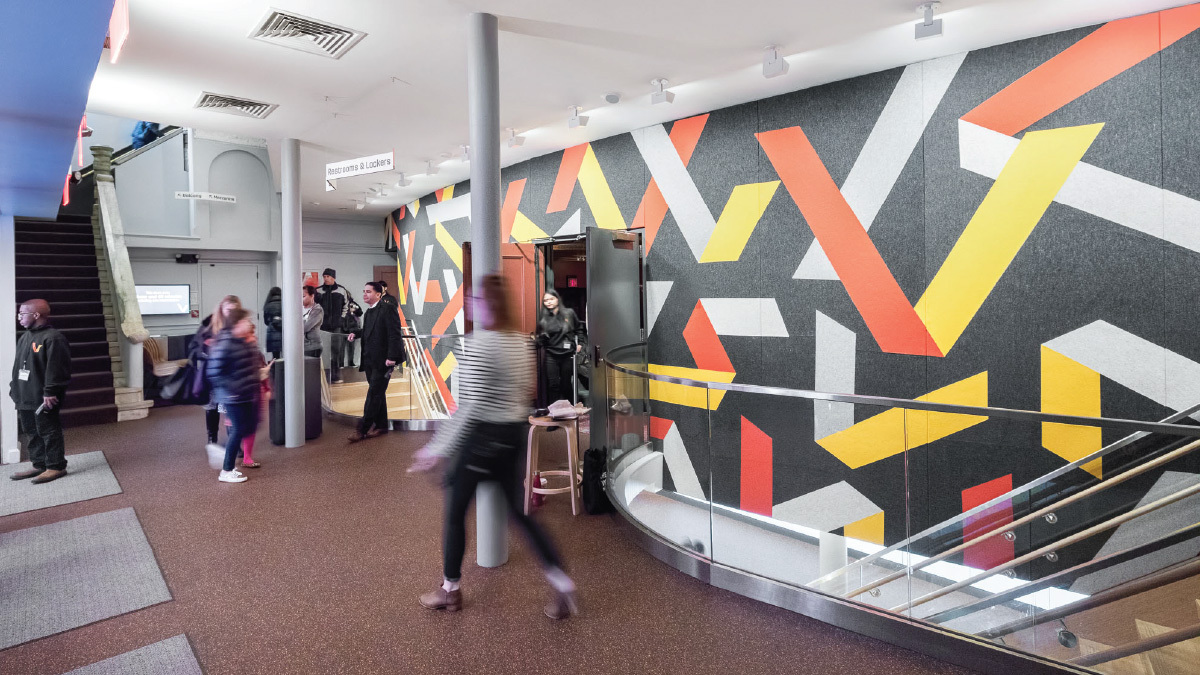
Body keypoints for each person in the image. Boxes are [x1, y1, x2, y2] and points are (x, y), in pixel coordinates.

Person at [409, 275, 578, 619]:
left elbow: (469, 406)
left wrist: (436, 448)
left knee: (456, 512)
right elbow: (526, 391)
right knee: (519, 514)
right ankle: (562, 583)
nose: (471, 304)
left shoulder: (479, 343)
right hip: (513, 436)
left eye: (475, 299)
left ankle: (450, 590)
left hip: (481, 441)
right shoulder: (520, 342)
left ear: (488, 304)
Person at [9, 299, 72, 484]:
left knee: (48, 430)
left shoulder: (53, 338)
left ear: (36, 315)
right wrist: (14, 388)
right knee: (31, 431)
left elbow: (57, 369)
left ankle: (56, 466)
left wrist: (51, 391)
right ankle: (39, 464)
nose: (19, 317)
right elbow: (18, 365)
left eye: (22, 313)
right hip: (25, 394)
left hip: (44, 396)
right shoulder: (25, 336)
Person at [205, 308, 262, 483]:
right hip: (234, 396)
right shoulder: (226, 343)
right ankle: (226, 469)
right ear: (237, 324)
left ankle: (223, 455)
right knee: (238, 430)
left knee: (247, 428)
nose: (248, 323)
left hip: (244, 393)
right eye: (245, 320)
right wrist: (233, 389)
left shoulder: (241, 341)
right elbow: (214, 372)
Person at [346, 282, 404, 442]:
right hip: (370, 359)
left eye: (368, 292)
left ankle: (362, 429)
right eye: (364, 291)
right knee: (378, 393)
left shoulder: (387, 308)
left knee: (373, 394)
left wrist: (392, 357)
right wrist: (356, 333)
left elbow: (394, 334)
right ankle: (381, 425)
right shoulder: (369, 312)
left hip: (384, 361)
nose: (365, 294)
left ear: (379, 294)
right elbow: (368, 331)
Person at [192, 295, 241, 446]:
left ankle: (234, 443)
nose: (231, 313)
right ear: (222, 308)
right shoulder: (210, 324)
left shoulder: (240, 324)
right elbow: (196, 348)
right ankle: (212, 439)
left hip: (231, 373)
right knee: (212, 407)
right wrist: (210, 349)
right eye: (228, 310)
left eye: (234, 310)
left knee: (231, 408)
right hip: (213, 372)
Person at [536, 290, 584, 403]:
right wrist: (540, 340)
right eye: (546, 300)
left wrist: (580, 343)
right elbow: (540, 336)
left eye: (551, 299)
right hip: (551, 354)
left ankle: (570, 408)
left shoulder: (569, 313)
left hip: (567, 354)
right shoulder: (544, 317)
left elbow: (579, 328)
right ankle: (555, 411)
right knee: (553, 385)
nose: (548, 302)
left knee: (566, 384)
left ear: (557, 299)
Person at [315, 269, 353, 382]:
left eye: (328, 276)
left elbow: (346, 306)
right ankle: (322, 376)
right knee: (323, 350)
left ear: (333, 278)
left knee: (336, 351)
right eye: (324, 276)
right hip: (322, 326)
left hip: (336, 326)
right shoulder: (318, 291)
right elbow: (314, 306)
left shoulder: (341, 290)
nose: (326, 278)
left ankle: (336, 375)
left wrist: (341, 319)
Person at [302, 285, 324, 358]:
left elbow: (305, 327)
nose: (301, 299)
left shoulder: (317, 310)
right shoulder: (299, 309)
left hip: (312, 346)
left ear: (312, 296)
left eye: (303, 296)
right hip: (301, 346)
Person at [263, 286, 282, 360]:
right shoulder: (284, 304)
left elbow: (266, 321)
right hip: (283, 332)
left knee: (275, 357)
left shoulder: (267, 305)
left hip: (271, 333)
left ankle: (275, 371)